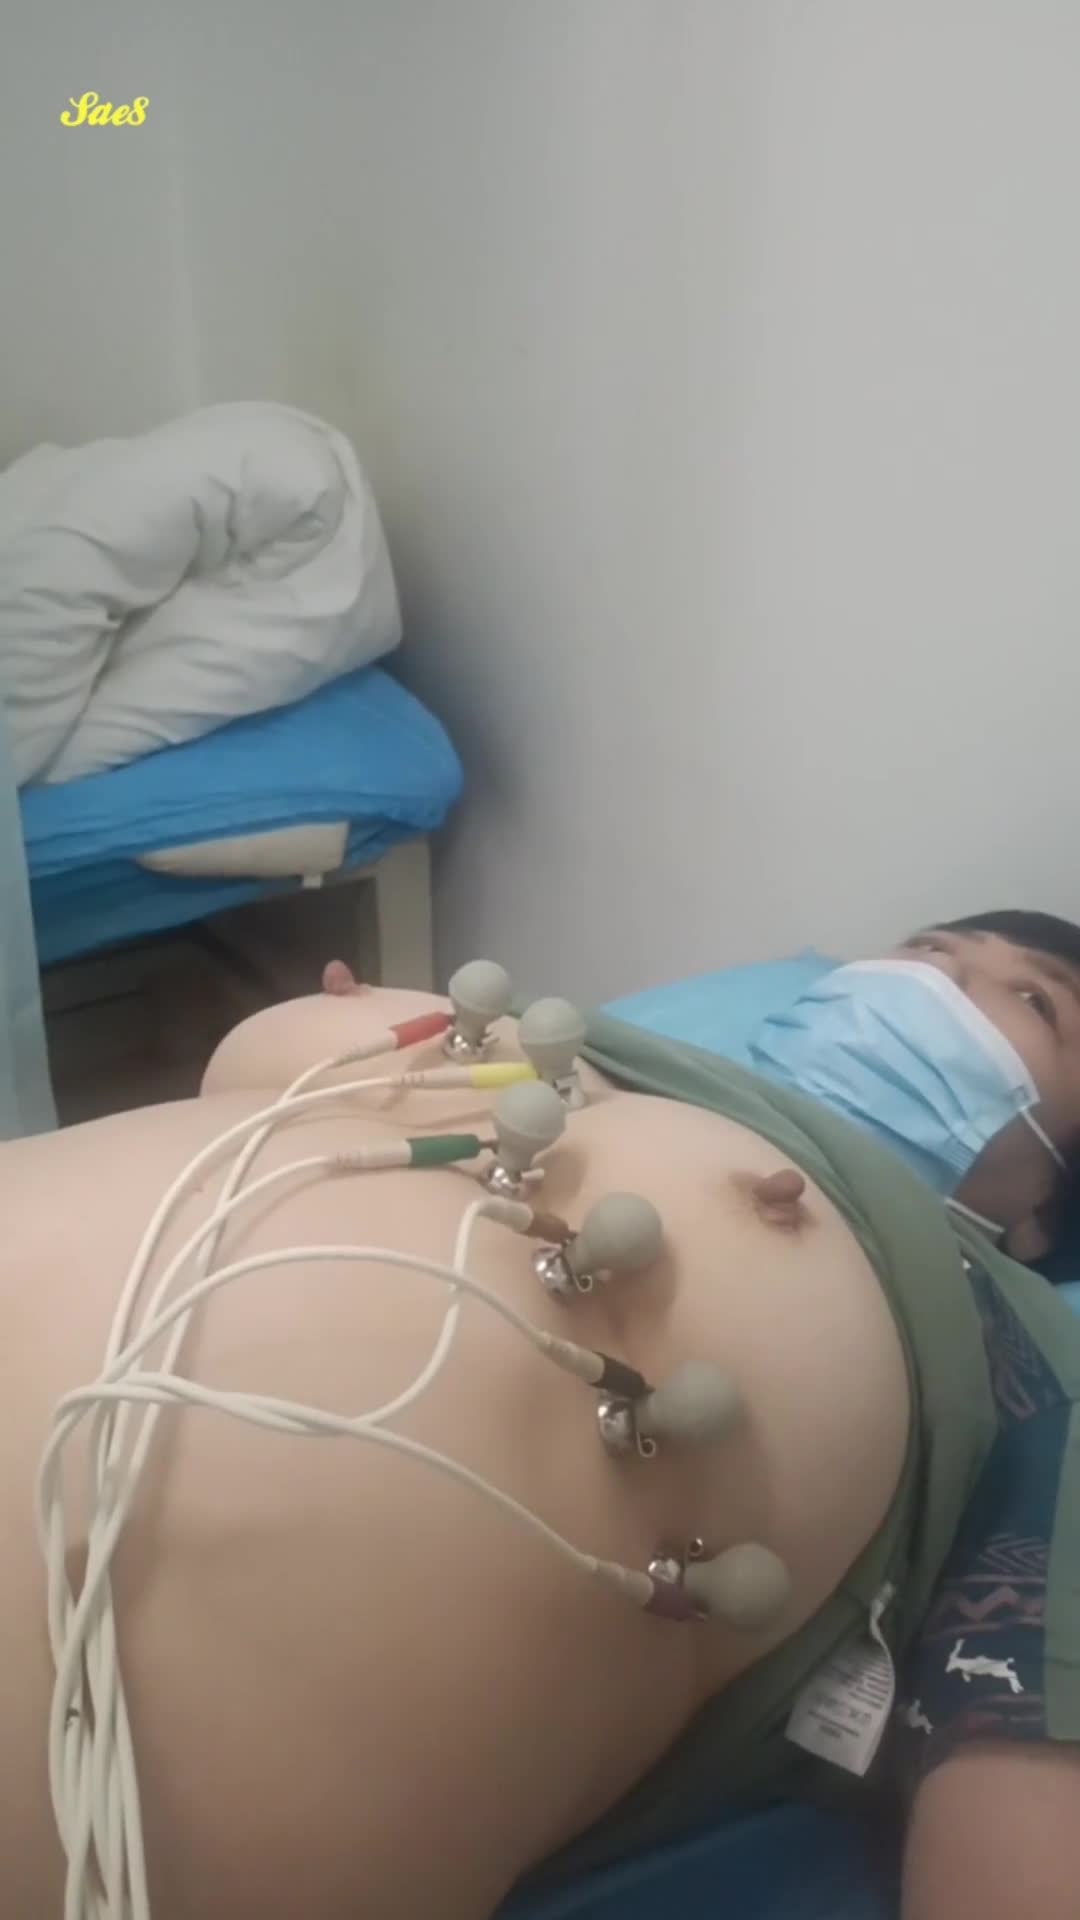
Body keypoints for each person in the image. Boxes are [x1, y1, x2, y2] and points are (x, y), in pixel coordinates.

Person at [4, 908, 1080, 1920]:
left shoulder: (1024, 1356)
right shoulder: (577, 1047)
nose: (938, 985)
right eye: (928, 950)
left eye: (1033, 1002)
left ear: (1044, 1209)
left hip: (159, 1768)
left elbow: (1023, 1809)